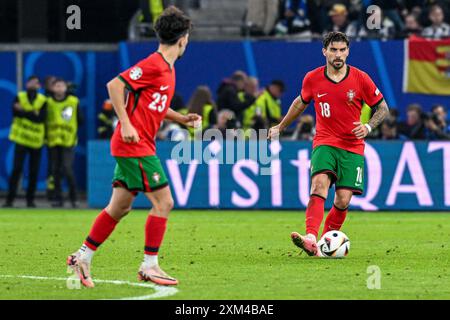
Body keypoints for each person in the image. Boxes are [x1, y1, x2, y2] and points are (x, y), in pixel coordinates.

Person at [66, 6, 199, 288]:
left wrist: (182, 118)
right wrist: (125, 122)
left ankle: (83, 256)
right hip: (135, 144)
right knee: (164, 202)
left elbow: (155, 106)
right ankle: (150, 265)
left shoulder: (167, 68)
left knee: (119, 207)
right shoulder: (154, 63)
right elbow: (115, 85)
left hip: (139, 144)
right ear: (184, 38)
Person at [268, 31, 389, 256]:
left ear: (348, 51)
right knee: (319, 185)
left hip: (352, 147)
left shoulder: (361, 78)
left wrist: (369, 127)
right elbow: (299, 102)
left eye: (342, 50)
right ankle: (311, 237)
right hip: (325, 141)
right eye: (333, 50)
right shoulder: (313, 78)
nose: (338, 54)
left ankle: (323, 246)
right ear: (324, 51)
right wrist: (281, 126)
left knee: (342, 200)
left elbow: (382, 108)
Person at [3, 76, 47, 208]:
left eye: (36, 83)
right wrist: (33, 113)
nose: (33, 85)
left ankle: (30, 200)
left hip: (36, 141)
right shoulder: (20, 96)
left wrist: (24, 111)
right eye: (31, 82)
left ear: (39, 86)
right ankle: (9, 200)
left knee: (33, 171)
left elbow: (41, 119)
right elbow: (15, 113)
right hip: (21, 139)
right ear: (26, 84)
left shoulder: (43, 100)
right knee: (16, 169)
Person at [46, 78, 82, 208]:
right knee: (55, 170)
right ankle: (58, 199)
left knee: (67, 168)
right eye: (57, 86)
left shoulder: (73, 101)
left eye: (62, 86)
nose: (59, 88)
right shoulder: (48, 102)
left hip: (68, 141)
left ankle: (74, 198)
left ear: (66, 88)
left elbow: (80, 119)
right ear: (53, 88)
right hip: (53, 140)